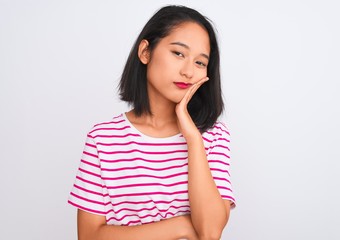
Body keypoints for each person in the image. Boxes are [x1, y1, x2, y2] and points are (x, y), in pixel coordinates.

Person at [68, 5, 236, 240]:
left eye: (200, 63)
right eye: (178, 53)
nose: (188, 71)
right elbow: (89, 236)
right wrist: (181, 226)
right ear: (146, 52)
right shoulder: (103, 138)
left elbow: (210, 232)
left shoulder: (214, 136)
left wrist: (193, 141)